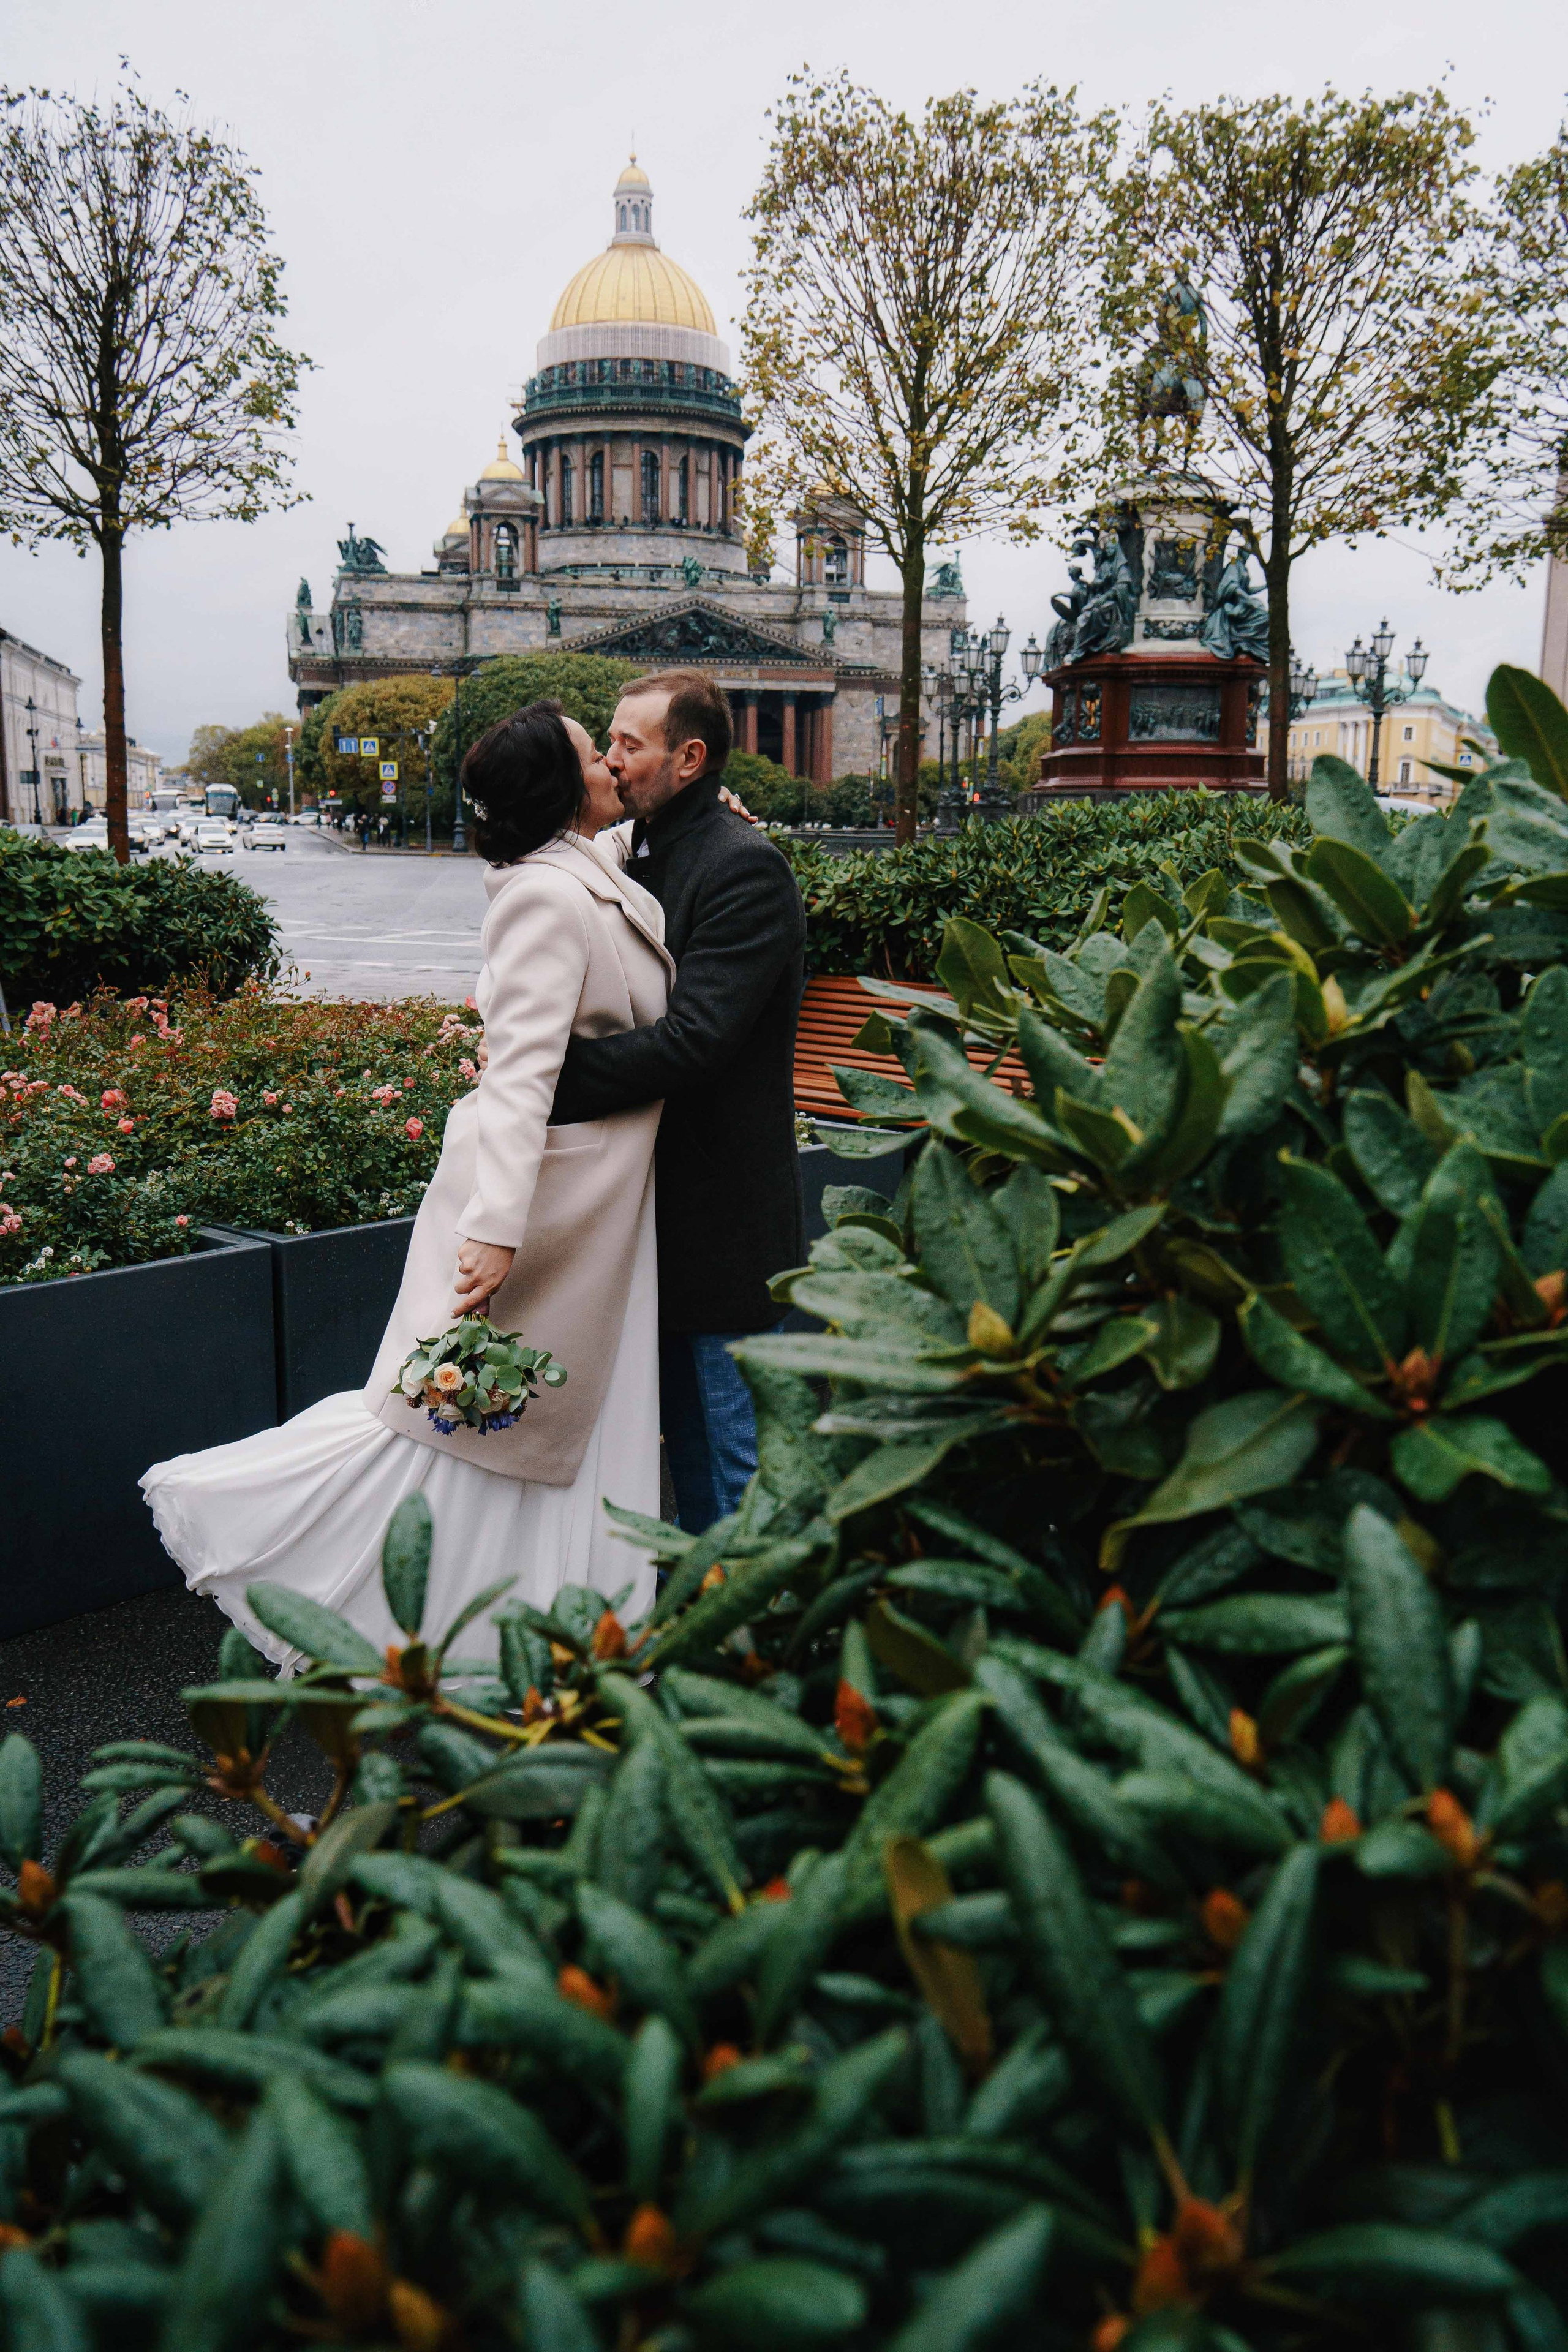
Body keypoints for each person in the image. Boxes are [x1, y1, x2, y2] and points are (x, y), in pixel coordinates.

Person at [141, 702, 673, 1666]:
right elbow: (518, 1072)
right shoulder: (546, 897)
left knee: (509, 1421)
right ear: (561, 790)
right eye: (597, 756)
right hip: (547, 1205)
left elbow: (618, 858)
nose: (612, 767)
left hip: (590, 1200)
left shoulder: (584, 867)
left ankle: (542, 1614)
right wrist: (498, 1227)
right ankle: (293, 1550)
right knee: (460, 1417)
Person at [551, 668, 805, 1532]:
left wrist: (547, 1077)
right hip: (658, 1217)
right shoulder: (646, 846)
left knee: (739, 1465)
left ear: (689, 758)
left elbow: (698, 1039)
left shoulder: (742, 867)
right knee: (689, 1455)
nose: (612, 760)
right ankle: (711, 1631)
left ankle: (759, 1645)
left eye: (630, 743)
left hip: (723, 1220)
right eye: (609, 742)